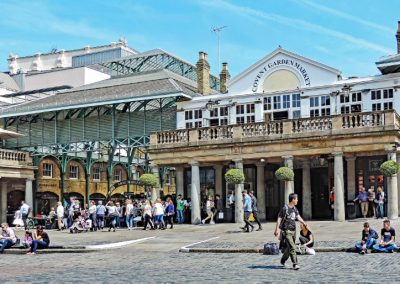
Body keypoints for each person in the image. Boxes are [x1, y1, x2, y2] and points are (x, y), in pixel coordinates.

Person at [274, 193, 307, 270]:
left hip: (294, 231)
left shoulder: (294, 209)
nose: (297, 200)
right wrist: (277, 230)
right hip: (286, 230)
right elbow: (279, 218)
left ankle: (283, 260)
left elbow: (298, 217)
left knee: (289, 248)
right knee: (292, 247)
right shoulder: (285, 208)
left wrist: (304, 222)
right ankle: (295, 264)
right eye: (296, 199)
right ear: (293, 200)